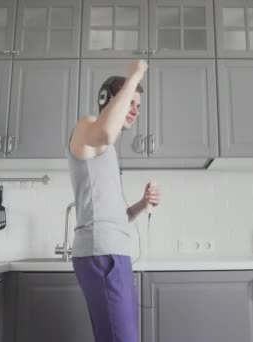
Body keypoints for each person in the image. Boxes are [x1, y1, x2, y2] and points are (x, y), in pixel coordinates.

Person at [67, 59, 161, 342]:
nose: (135, 110)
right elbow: (108, 130)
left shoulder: (105, 150)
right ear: (107, 99)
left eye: (138, 106)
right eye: (129, 101)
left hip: (113, 253)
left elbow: (111, 216)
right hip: (103, 254)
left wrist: (142, 205)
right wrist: (135, 75)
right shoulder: (89, 126)